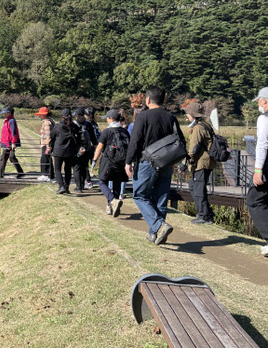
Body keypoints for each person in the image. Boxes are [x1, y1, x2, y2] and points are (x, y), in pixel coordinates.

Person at [125, 86, 186, 246]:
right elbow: (180, 140)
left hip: (147, 162)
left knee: (139, 196)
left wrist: (128, 161)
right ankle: (154, 233)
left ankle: (159, 225)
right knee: (161, 197)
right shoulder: (170, 117)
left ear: (147, 100)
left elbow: (135, 141)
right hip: (166, 163)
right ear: (163, 100)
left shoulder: (143, 116)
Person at [91, 109, 130, 217]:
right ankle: (111, 206)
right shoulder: (125, 131)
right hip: (121, 162)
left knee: (102, 181)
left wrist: (94, 160)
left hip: (108, 161)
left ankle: (112, 200)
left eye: (107, 118)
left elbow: (99, 147)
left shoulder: (107, 132)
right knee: (117, 183)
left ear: (111, 119)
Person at [182, 101, 215, 225]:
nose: (187, 116)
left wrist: (186, 161)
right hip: (206, 162)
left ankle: (203, 216)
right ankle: (207, 213)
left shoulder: (198, 128)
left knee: (198, 189)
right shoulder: (205, 125)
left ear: (193, 115)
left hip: (202, 163)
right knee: (193, 186)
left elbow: (194, 148)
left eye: (188, 114)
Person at [250, 87, 268, 257]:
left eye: (259, 101)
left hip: (267, 165)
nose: (258, 104)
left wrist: (258, 170)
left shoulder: (264, 119)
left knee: (254, 200)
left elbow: (262, 144)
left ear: (264, 101)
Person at [49, 108, 81, 194]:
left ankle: (61, 186)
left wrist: (50, 146)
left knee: (58, 169)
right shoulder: (74, 126)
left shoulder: (58, 126)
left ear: (62, 116)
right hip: (70, 150)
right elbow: (79, 134)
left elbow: (52, 136)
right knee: (68, 169)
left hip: (58, 150)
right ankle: (66, 187)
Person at [72, 108, 96, 194]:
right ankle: (82, 184)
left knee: (76, 168)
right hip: (87, 149)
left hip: (77, 149)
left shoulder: (73, 124)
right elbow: (93, 138)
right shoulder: (88, 124)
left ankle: (78, 187)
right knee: (84, 166)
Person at [0, 107, 24, 179]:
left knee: (4, 158)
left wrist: (13, 143)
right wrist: (2, 140)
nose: (4, 114)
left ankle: (0, 174)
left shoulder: (11, 120)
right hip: (6, 141)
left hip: (9, 142)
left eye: (6, 113)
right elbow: (6, 132)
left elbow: (13, 132)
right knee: (11, 158)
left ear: (10, 112)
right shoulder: (7, 120)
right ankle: (20, 172)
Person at [34, 107, 54, 182]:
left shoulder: (46, 122)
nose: (40, 116)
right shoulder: (51, 121)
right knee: (47, 158)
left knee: (45, 158)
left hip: (46, 144)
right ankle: (50, 175)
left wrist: (47, 145)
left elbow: (48, 134)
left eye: (41, 114)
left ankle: (46, 174)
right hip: (47, 143)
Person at [84, 107, 100, 189]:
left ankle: (88, 181)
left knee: (85, 164)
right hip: (95, 146)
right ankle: (89, 179)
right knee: (91, 164)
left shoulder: (86, 124)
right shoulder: (95, 124)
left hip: (89, 147)